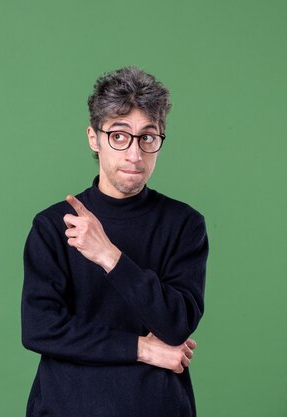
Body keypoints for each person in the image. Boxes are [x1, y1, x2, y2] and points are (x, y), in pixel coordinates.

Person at [21, 66, 208, 416]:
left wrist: (109, 256)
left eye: (147, 138)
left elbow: (176, 324)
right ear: (94, 138)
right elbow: (40, 329)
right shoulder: (53, 225)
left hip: (155, 406)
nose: (134, 155)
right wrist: (141, 348)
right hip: (66, 406)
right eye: (119, 136)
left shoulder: (184, 224)